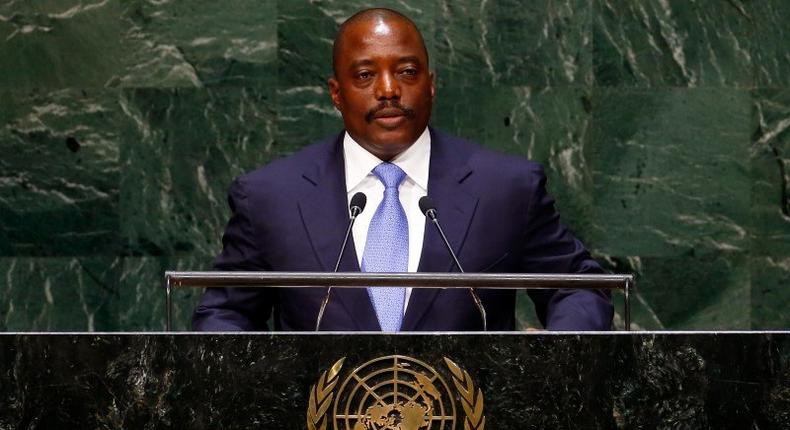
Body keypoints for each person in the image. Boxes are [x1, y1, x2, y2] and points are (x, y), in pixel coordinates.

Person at [192, 8, 613, 331]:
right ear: (336, 94)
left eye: (407, 72)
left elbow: (578, 286)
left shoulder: (505, 188)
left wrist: (561, 353)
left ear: (430, 84)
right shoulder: (270, 197)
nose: (389, 89)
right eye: (365, 75)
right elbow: (225, 312)